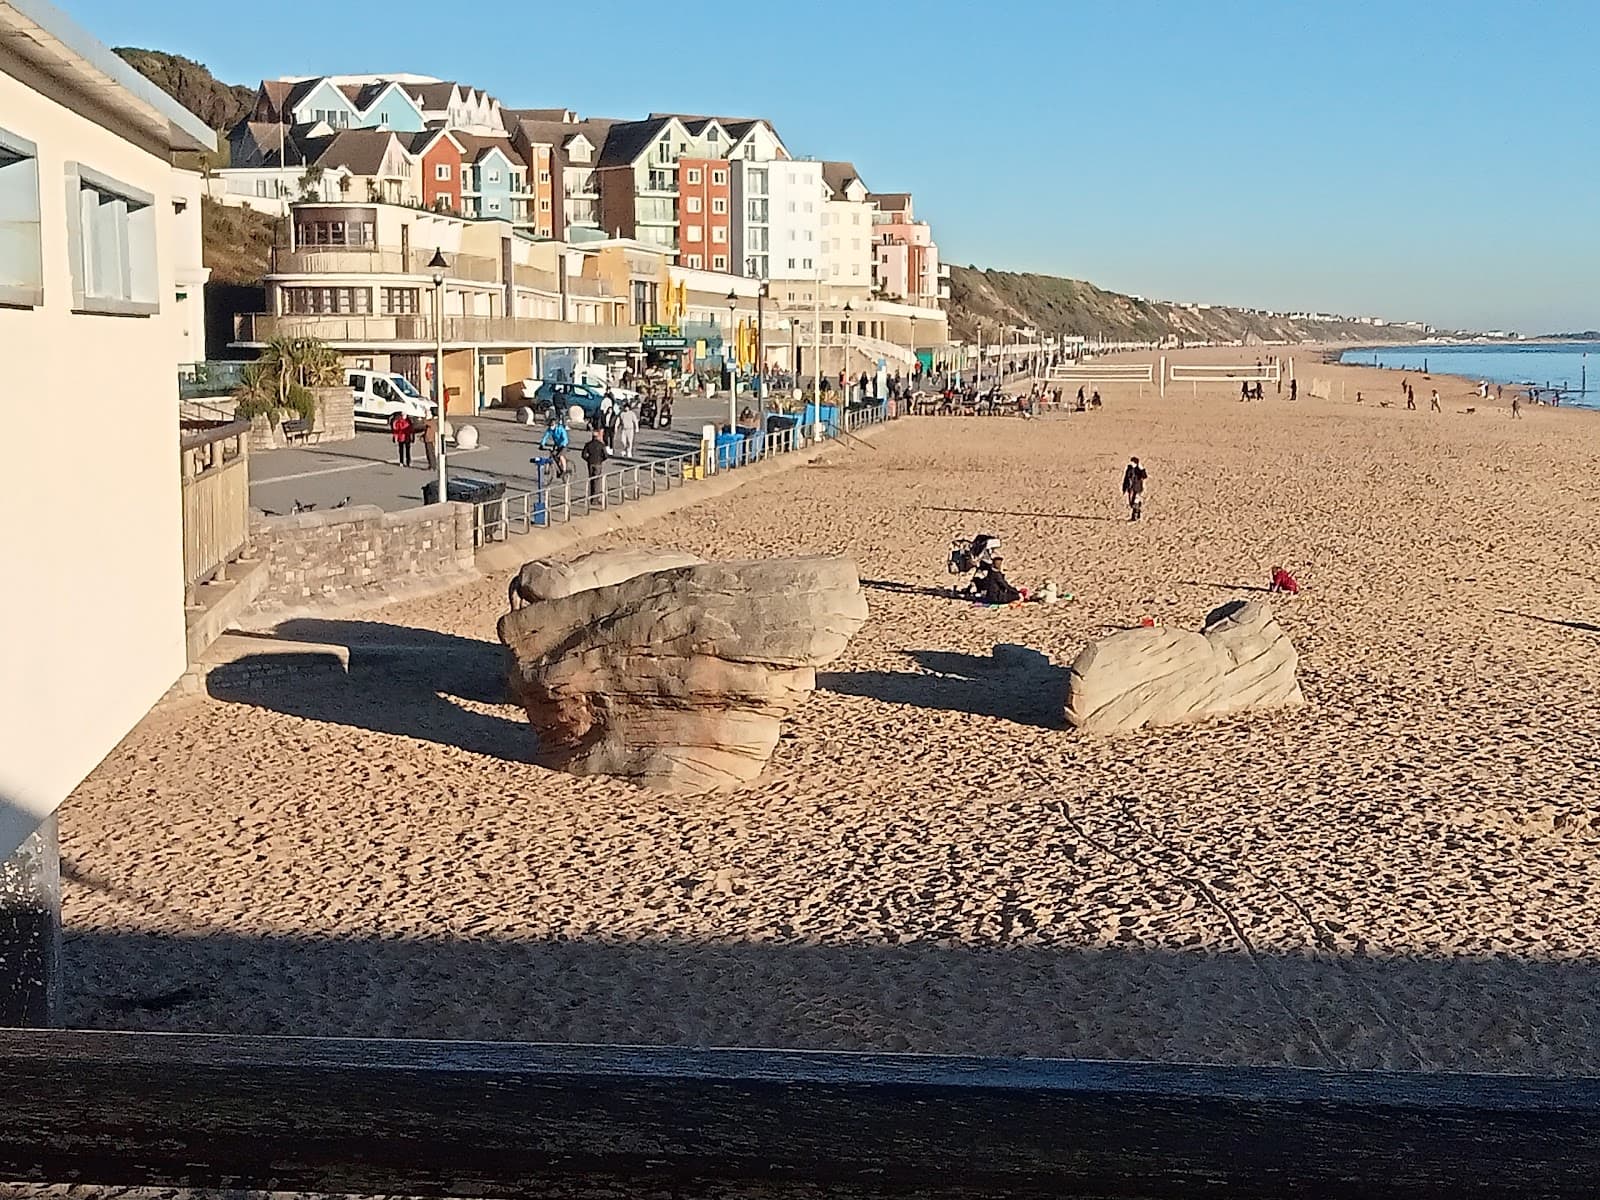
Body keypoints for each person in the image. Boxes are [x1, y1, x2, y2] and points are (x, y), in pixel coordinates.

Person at [538, 414, 570, 479]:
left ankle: (564, 470)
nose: (551, 427)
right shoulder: (550, 429)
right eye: (550, 425)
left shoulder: (560, 429)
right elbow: (545, 436)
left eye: (552, 425)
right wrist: (542, 444)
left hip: (564, 444)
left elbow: (565, 438)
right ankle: (559, 468)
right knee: (553, 455)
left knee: (560, 456)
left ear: (556, 424)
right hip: (557, 444)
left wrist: (563, 444)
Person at [582, 428, 609, 502]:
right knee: (597, 481)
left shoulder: (588, 444)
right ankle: (596, 498)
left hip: (590, 463)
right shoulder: (601, 445)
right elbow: (606, 456)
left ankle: (591, 497)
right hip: (598, 464)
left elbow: (583, 455)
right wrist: (601, 460)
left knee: (591, 480)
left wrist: (588, 460)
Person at [1121, 455, 1147, 521]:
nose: (1131, 463)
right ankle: (1137, 512)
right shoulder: (1129, 469)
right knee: (1131, 503)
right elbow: (1126, 478)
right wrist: (1124, 488)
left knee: (1135, 502)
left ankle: (1135, 516)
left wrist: (1141, 469)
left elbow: (1144, 476)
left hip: (1137, 488)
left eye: (1133, 462)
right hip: (1130, 488)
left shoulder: (1139, 470)